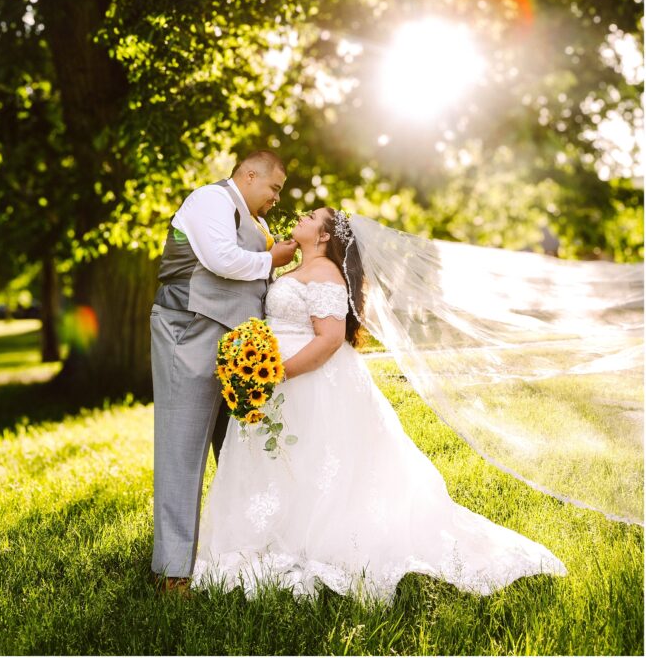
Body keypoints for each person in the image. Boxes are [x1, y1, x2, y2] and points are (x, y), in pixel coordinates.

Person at [191, 207, 568, 600]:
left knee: (316, 464)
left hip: (305, 381)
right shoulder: (298, 270)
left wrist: (277, 374)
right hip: (274, 383)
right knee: (285, 464)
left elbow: (330, 339)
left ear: (323, 236)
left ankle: (310, 543)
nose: (300, 216)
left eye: (310, 216)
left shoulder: (325, 275)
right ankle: (270, 537)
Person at [150, 150, 297, 593]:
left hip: (237, 350)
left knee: (238, 454)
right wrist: (272, 260)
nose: (275, 199)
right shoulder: (209, 200)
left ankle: (239, 556)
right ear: (249, 175)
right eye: (273, 188)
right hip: (189, 332)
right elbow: (220, 260)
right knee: (181, 450)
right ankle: (174, 571)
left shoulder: (260, 225)